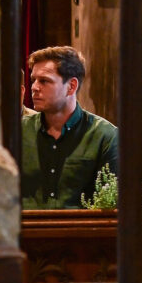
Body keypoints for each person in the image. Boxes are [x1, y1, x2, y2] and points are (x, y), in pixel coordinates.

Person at [21, 45, 118, 209]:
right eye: (33, 80)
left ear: (71, 86)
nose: (34, 87)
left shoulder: (105, 136)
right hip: (26, 232)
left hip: (82, 232)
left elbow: (113, 205)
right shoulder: (19, 131)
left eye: (44, 81)